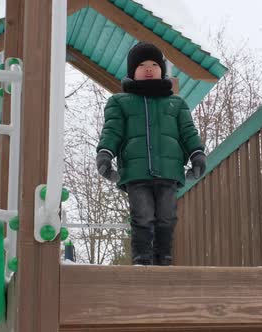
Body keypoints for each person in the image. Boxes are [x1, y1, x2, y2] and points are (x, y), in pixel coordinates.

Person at [96, 41, 206, 266]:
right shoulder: (120, 102)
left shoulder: (176, 103)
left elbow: (188, 132)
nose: (148, 68)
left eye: (154, 64)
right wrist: (105, 154)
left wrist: (197, 154)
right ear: (132, 71)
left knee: (166, 217)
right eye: (142, 65)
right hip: (136, 173)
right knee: (143, 216)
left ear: (162, 70)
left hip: (169, 172)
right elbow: (112, 130)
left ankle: (163, 257)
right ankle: (142, 258)